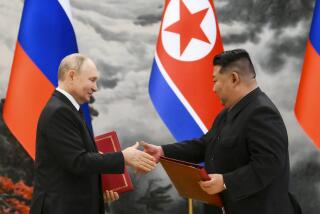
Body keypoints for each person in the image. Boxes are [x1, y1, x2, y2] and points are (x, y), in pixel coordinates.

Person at [142, 49, 301, 214]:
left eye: (215, 80)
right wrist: (163, 151)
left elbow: (269, 165)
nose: (213, 89)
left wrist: (226, 182)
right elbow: (206, 145)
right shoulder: (228, 113)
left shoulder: (262, 112)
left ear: (234, 78)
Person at [30, 53, 156, 214]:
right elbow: (78, 161)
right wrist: (123, 157)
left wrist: (100, 191)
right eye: (92, 80)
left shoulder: (67, 109)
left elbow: (73, 165)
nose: (95, 88)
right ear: (72, 76)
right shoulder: (59, 111)